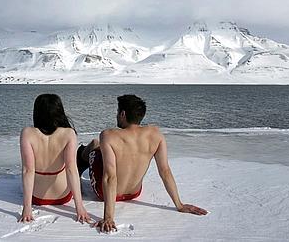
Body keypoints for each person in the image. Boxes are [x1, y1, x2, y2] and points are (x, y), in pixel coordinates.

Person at [77, 95, 208, 233]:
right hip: (134, 193)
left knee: (95, 147)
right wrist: (179, 205)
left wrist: (109, 217)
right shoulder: (156, 134)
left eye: (117, 112)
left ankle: (79, 158)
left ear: (123, 114)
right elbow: (165, 171)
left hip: (104, 194)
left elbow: (110, 177)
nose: (117, 115)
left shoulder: (108, 135)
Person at [19, 94, 91, 224]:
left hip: (37, 197)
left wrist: (27, 207)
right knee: (74, 167)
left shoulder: (27, 133)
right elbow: (71, 170)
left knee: (30, 169)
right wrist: (79, 207)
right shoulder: (68, 133)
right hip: (62, 195)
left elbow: (27, 170)